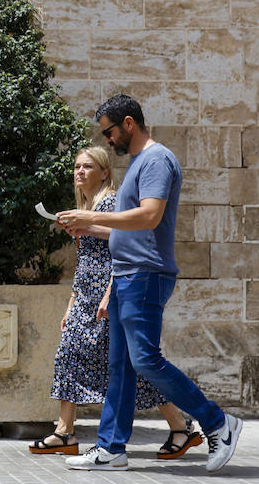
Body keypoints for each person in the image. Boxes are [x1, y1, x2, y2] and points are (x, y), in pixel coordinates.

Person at [57, 94, 244, 473]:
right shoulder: (140, 163)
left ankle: (217, 423)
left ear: (128, 123)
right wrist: (86, 225)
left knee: (144, 359)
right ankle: (111, 448)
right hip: (128, 274)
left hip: (145, 274)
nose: (107, 140)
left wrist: (89, 217)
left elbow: (149, 216)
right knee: (121, 368)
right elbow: (128, 229)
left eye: (109, 132)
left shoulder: (157, 159)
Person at [29, 145, 202, 459]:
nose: (80, 171)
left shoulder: (109, 200)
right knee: (69, 355)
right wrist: (71, 300)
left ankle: (181, 424)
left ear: (105, 172)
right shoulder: (88, 204)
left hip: (109, 292)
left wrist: (111, 291)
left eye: (88, 166)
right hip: (86, 296)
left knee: (130, 366)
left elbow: (123, 245)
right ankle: (64, 431)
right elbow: (85, 260)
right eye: (77, 166)